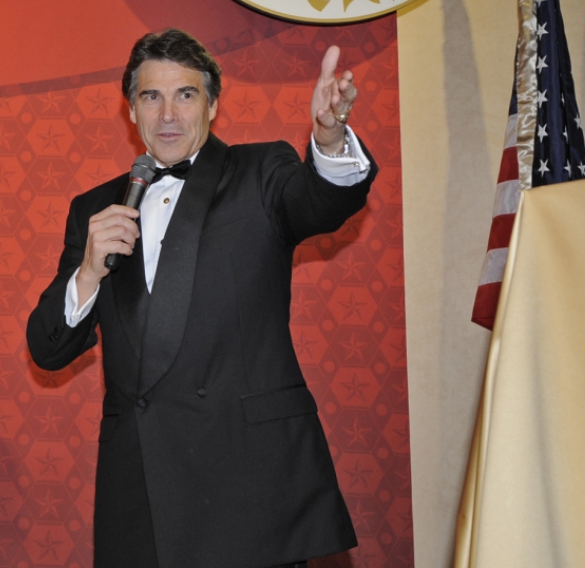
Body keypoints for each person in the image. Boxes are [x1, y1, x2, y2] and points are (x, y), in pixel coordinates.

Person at [25, 29, 373, 568]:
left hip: (248, 489)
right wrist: (88, 273)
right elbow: (47, 349)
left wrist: (328, 140)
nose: (168, 114)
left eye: (185, 94)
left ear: (211, 103)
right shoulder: (94, 207)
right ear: (131, 110)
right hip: (141, 493)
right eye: (150, 96)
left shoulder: (260, 172)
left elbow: (321, 203)